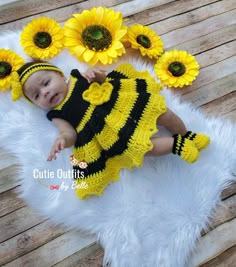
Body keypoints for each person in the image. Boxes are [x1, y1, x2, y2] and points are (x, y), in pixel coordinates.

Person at [11, 61, 210, 199]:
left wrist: (96, 75)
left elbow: (102, 81)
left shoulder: (75, 78)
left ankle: (185, 133)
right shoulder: (57, 114)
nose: (45, 92)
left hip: (121, 105)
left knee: (162, 113)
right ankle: (176, 144)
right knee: (141, 148)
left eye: (46, 83)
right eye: (36, 96)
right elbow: (69, 133)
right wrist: (63, 140)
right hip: (108, 131)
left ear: (60, 75)